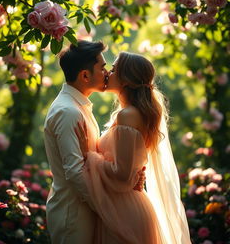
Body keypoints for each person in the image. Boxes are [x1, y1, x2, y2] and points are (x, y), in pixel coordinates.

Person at [75, 52, 191, 244]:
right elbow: (128, 170)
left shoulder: (128, 116)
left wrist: (89, 155)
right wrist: (135, 174)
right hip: (126, 206)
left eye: (112, 70)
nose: (107, 73)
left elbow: (121, 175)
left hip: (125, 212)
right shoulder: (130, 114)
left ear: (126, 80)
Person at [44, 41, 145, 244]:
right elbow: (74, 172)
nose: (107, 72)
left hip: (86, 211)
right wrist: (108, 208)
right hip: (73, 214)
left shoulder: (79, 107)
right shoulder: (68, 112)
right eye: (102, 67)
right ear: (85, 75)